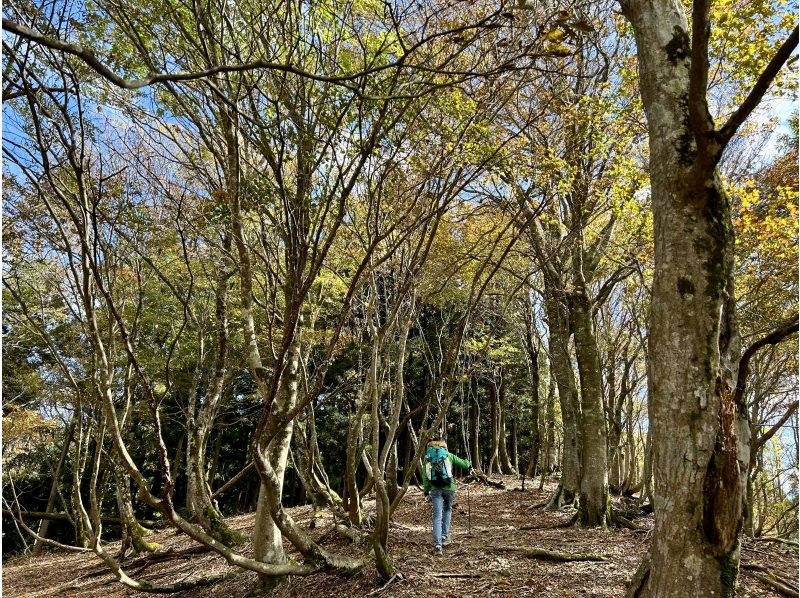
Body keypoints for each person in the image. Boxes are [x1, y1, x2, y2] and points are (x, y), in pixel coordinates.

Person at [421, 435, 472, 555]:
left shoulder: (428, 457)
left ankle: (438, 544)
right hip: (449, 488)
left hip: (435, 489)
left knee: (437, 515)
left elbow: (425, 476)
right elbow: (464, 464)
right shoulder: (448, 455)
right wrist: (469, 463)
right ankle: (444, 535)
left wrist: (426, 491)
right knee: (448, 510)